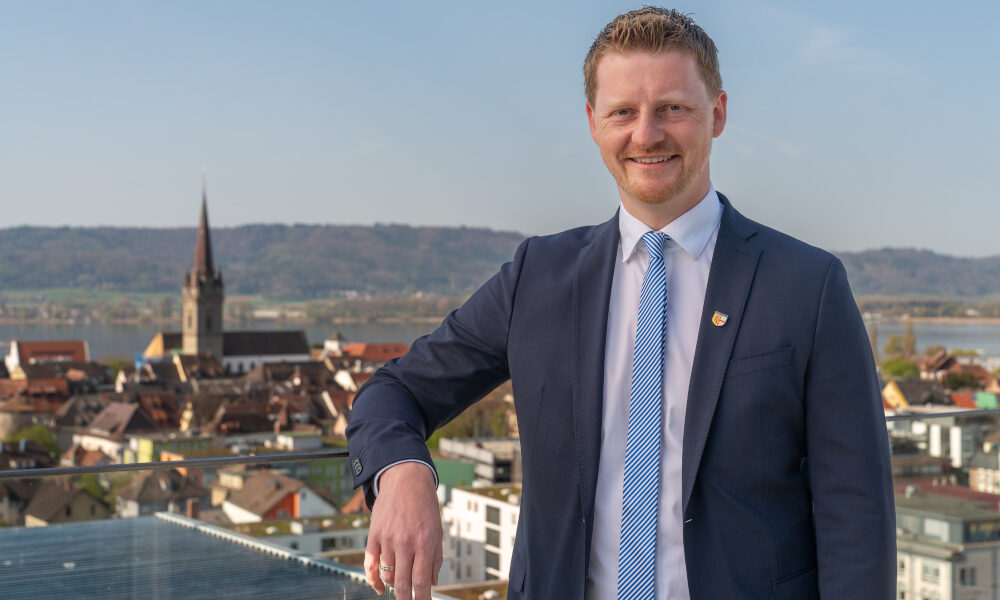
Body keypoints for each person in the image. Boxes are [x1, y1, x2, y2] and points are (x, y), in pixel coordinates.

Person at [346, 7, 895, 600]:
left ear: (717, 113)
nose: (647, 134)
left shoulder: (807, 286)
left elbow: (856, 513)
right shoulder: (537, 277)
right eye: (623, 112)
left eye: (673, 108)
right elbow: (393, 392)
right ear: (593, 123)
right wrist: (403, 472)